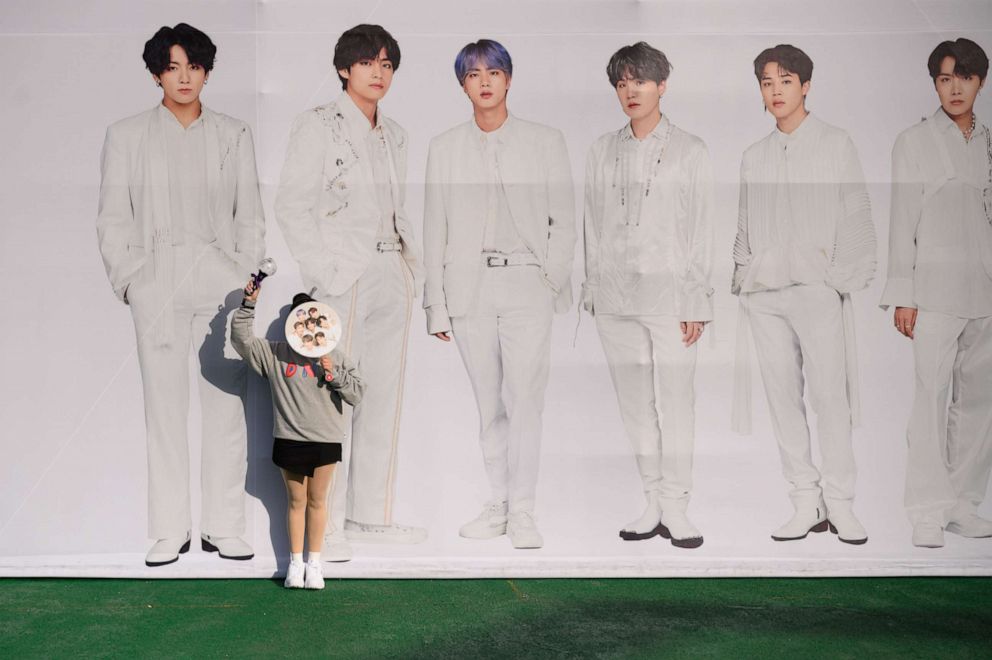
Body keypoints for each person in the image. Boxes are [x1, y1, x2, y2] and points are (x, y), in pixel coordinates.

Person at [95, 23, 265, 566]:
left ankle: (224, 526)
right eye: (172, 67)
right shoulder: (126, 135)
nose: (184, 76)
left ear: (207, 70)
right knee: (163, 410)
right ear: (156, 74)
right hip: (158, 277)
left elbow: (251, 215)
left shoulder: (234, 133)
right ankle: (170, 528)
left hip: (221, 281)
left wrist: (244, 280)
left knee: (226, 408)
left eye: (193, 65)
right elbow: (112, 217)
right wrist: (133, 280)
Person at [275, 24, 425, 556]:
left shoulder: (397, 133)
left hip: (392, 272)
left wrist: (413, 270)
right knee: (333, 399)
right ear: (344, 68)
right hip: (343, 276)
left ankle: (371, 517)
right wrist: (326, 275)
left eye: (387, 64)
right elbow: (292, 204)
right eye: (368, 63)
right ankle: (329, 523)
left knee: (382, 397)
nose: (378, 72)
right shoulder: (318, 124)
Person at [423, 39, 576, 549]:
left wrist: (549, 278)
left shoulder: (544, 140)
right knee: (488, 404)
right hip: (469, 289)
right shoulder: (444, 147)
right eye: (473, 75)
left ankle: (525, 510)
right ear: (462, 85)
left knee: (527, 400)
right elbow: (434, 229)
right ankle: (498, 503)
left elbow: (563, 219)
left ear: (509, 79)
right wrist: (436, 304)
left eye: (493, 72)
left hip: (526, 282)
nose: (484, 81)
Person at [731, 44, 876, 545]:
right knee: (782, 400)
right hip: (766, 294)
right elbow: (746, 225)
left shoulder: (836, 143)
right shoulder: (755, 155)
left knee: (830, 397)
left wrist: (837, 277)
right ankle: (804, 501)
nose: (776, 91)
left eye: (786, 80)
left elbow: (855, 213)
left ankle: (841, 504)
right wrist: (745, 276)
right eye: (767, 82)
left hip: (817, 290)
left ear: (806, 85)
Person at [582, 42, 714, 548]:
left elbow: (701, 229)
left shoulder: (690, 149)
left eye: (640, 80)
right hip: (615, 297)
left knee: (676, 403)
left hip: (671, 298)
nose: (630, 91)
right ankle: (653, 501)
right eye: (621, 83)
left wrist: (696, 301)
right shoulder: (601, 150)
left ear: (662, 84)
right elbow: (593, 224)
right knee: (635, 407)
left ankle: (679, 505)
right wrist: (593, 288)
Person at [880, 38, 992, 548]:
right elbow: (902, 222)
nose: (955, 88)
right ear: (934, 84)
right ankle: (927, 509)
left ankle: (963, 506)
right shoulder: (915, 141)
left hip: (984, 290)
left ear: (981, 82)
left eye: (964, 78)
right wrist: (904, 293)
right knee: (930, 399)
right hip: (932, 292)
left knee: (978, 403)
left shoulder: (989, 143)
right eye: (944, 79)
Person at [232, 282, 364, 588]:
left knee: (318, 502)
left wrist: (333, 374)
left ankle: (314, 565)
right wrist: (247, 305)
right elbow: (242, 341)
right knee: (296, 501)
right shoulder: (275, 353)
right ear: (292, 326)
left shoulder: (336, 356)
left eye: (315, 321)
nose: (309, 328)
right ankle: (294, 565)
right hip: (290, 438)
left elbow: (357, 394)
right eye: (301, 322)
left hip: (326, 439)